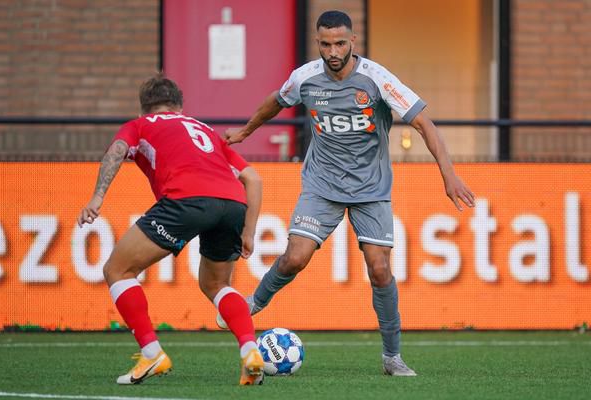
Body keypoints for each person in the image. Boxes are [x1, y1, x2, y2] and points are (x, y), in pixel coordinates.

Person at [217, 10, 475, 376]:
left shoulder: (376, 79)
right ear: (317, 42)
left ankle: (392, 356)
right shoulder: (305, 78)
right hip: (322, 184)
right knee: (294, 258)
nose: (333, 50)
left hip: (371, 189)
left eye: (340, 43)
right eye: (325, 44)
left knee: (380, 269)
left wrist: (448, 175)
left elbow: (423, 123)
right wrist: (246, 131)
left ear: (353, 42)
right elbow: (276, 100)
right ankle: (253, 303)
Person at [77, 74, 265, 386]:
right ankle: (249, 350)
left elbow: (116, 151)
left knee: (118, 270)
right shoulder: (205, 129)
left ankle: (152, 353)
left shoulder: (141, 125)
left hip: (186, 200)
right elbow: (253, 179)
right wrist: (249, 231)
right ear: (179, 107)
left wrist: (97, 198)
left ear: (144, 110)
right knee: (217, 285)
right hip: (233, 204)